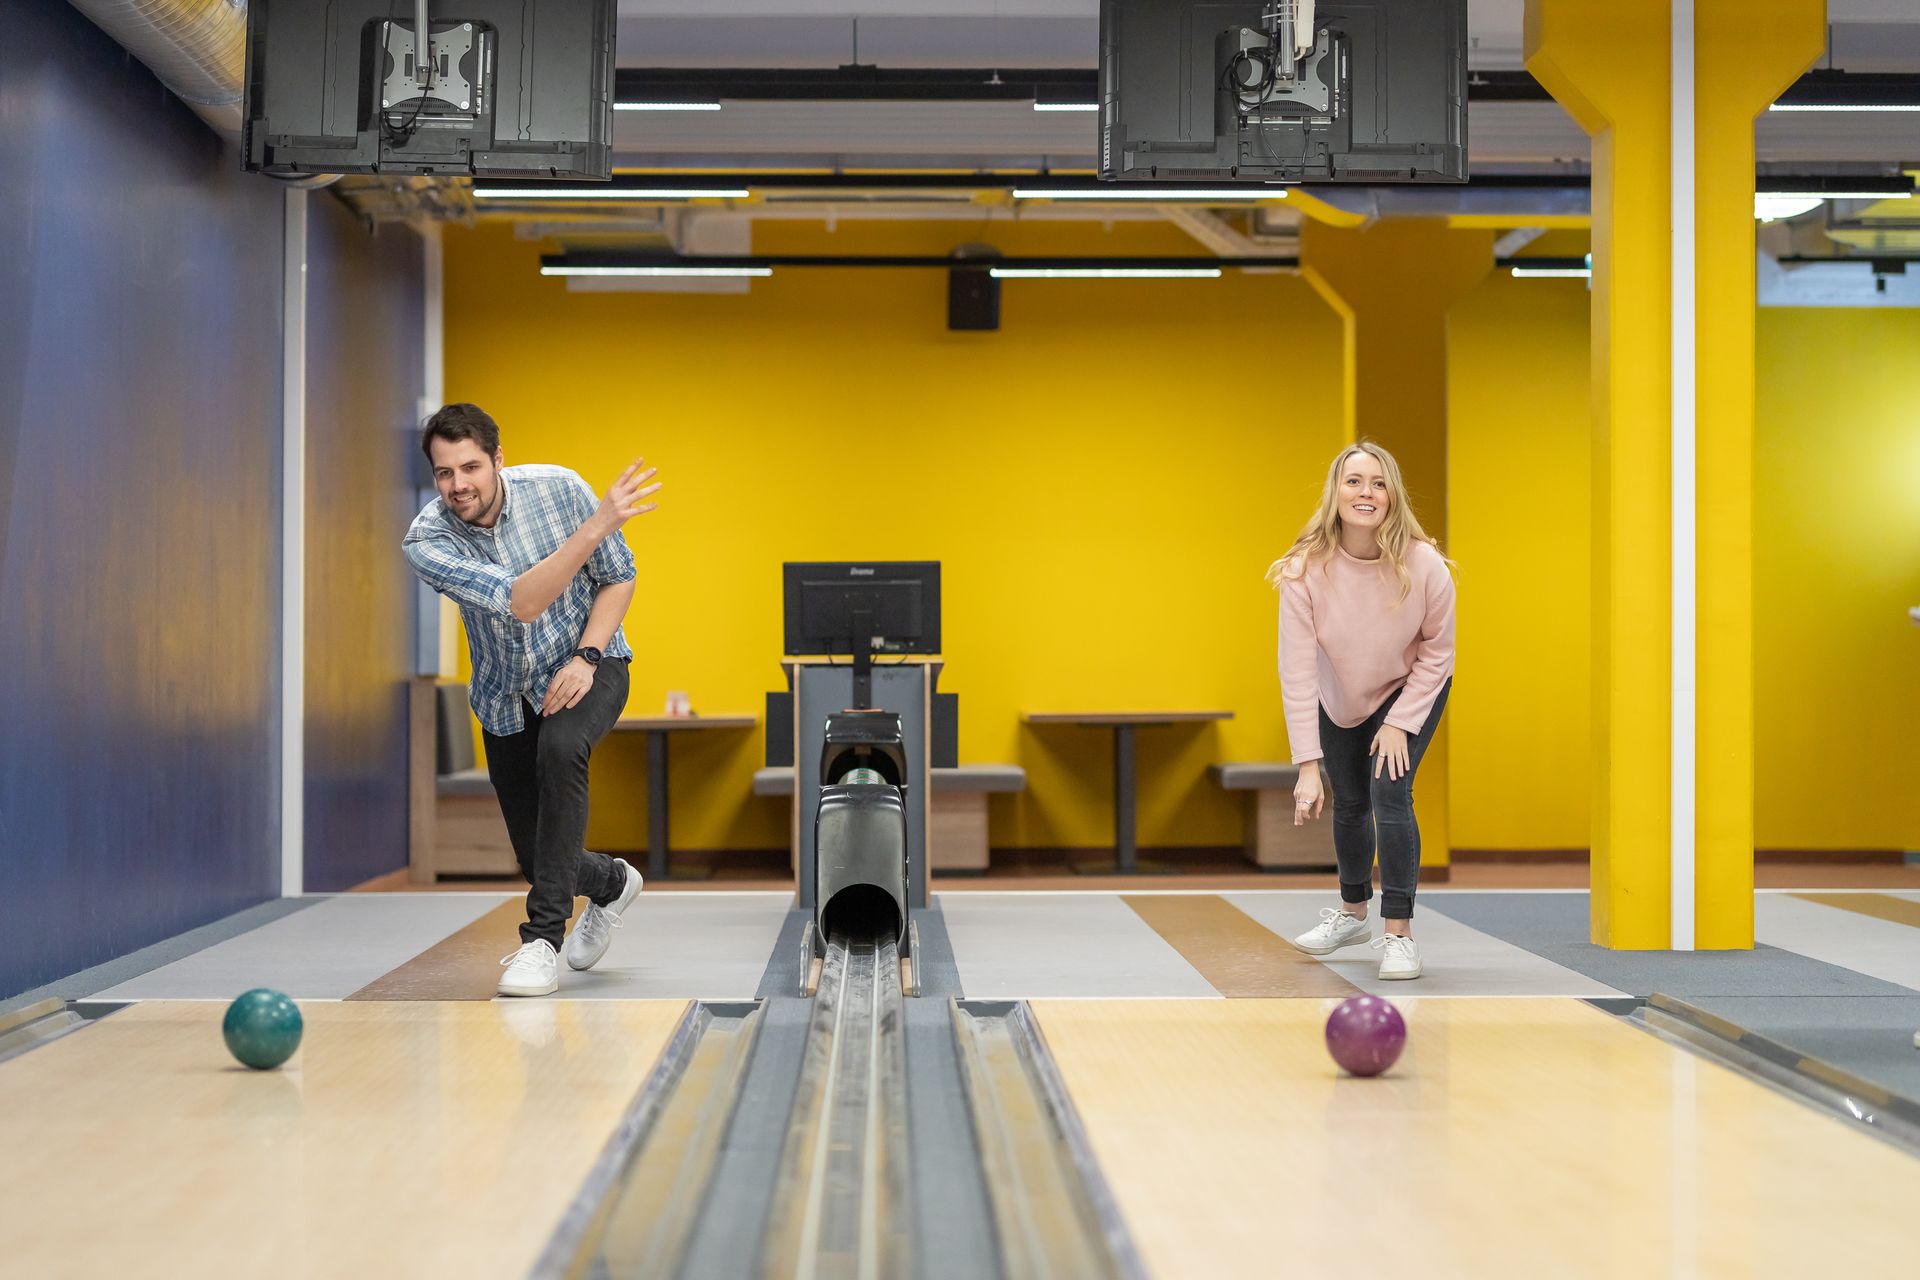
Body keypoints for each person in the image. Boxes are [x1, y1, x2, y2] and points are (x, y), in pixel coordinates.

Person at [403, 403, 661, 997]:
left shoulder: (559, 488)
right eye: (444, 473)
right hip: (505, 696)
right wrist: (595, 527)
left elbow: (618, 575)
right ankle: (613, 883)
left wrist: (587, 656)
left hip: (589, 662)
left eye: (471, 467)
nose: (459, 485)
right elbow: (521, 602)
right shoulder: (427, 540)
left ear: (498, 460)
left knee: (562, 748)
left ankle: (541, 942)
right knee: (536, 855)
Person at [1271, 441, 1454, 980]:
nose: (1366, 492)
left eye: (1378, 483)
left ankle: (1399, 934)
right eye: (1354, 481)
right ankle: (1352, 915)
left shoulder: (1425, 564)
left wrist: (1400, 722)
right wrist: (1307, 765)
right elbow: (1297, 671)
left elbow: (1439, 652)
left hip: (1409, 684)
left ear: (1393, 495)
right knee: (1349, 801)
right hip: (1340, 693)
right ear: (1336, 492)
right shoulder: (1303, 570)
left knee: (1389, 793)